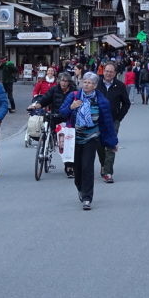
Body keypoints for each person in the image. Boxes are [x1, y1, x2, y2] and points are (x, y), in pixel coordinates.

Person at [59, 72, 119, 210]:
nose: (86, 84)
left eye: (90, 82)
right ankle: (80, 188)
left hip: (91, 138)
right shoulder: (73, 96)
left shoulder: (101, 100)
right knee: (77, 169)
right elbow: (62, 112)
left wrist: (112, 142)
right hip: (74, 138)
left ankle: (87, 198)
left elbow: (107, 124)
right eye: (85, 82)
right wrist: (71, 107)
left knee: (87, 167)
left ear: (95, 86)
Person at [29, 72, 76, 177]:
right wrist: (36, 105)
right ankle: (45, 144)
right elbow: (45, 99)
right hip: (55, 117)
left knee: (66, 143)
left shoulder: (74, 91)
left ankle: (69, 166)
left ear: (69, 82)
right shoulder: (54, 89)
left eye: (66, 81)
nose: (63, 83)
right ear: (59, 81)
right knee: (46, 127)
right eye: (62, 80)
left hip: (68, 119)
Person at [97, 63, 131, 183]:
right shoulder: (96, 84)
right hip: (97, 120)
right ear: (103, 71)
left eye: (111, 72)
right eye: (106, 71)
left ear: (115, 73)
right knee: (99, 145)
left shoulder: (120, 86)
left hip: (112, 121)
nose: (108, 73)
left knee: (111, 145)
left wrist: (118, 117)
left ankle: (108, 172)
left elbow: (127, 103)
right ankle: (103, 164)